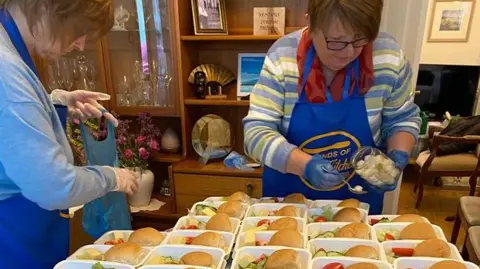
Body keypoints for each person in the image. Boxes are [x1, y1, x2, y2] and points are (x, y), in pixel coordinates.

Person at [243, 0, 420, 214]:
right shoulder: (283, 56)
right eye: (336, 41)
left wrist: (398, 156)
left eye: (359, 41)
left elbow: (401, 119)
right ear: (311, 24)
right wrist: (304, 166)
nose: (348, 53)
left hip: (358, 203)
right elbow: (255, 133)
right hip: (288, 202)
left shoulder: (387, 56)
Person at [0, 1, 140, 268]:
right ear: (50, 9)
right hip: (11, 237)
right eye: (79, 31)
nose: (79, 44)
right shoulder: (6, 70)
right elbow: (53, 186)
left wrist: (56, 103)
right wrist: (112, 177)